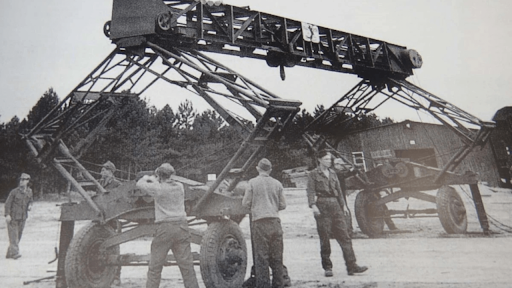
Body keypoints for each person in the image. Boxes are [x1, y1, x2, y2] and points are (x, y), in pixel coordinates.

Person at [136, 163, 199, 288]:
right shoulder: (180, 186)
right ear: (172, 175)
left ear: (159, 175)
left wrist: (149, 177)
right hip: (182, 227)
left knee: (155, 267)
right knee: (187, 267)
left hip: (165, 228)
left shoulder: (158, 188)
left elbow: (140, 184)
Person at [307, 150, 367, 277]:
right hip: (322, 205)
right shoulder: (313, 174)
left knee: (344, 236)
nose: (329, 161)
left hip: (336, 205)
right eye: (326, 159)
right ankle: (327, 267)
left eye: (330, 159)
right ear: (319, 160)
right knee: (325, 238)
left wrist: (344, 206)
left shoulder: (333, 173)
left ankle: (352, 266)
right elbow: (310, 191)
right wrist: (313, 205)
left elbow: (339, 191)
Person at [242, 158, 287, 288]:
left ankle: (263, 285)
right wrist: (272, 207)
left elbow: (245, 203)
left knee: (262, 258)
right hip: (275, 222)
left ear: (258, 169)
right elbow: (283, 205)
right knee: (277, 257)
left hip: (259, 223)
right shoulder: (277, 183)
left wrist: (257, 207)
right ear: (270, 170)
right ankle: (279, 284)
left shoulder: (252, 183)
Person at [98, 161, 122, 286]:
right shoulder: (100, 183)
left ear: (111, 172)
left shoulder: (117, 184)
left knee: (114, 248)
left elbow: (121, 202)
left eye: (104, 170)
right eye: (102, 170)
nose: (102, 172)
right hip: (102, 219)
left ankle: (116, 276)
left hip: (113, 220)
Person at [4, 173, 33, 260]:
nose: (21, 181)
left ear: (28, 181)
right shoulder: (14, 192)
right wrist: (7, 215)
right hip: (13, 217)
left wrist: (31, 205)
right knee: (13, 236)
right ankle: (15, 253)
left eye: (24, 180)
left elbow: (31, 200)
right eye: (21, 180)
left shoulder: (29, 191)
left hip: (23, 217)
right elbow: (7, 204)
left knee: (18, 236)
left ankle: (10, 252)